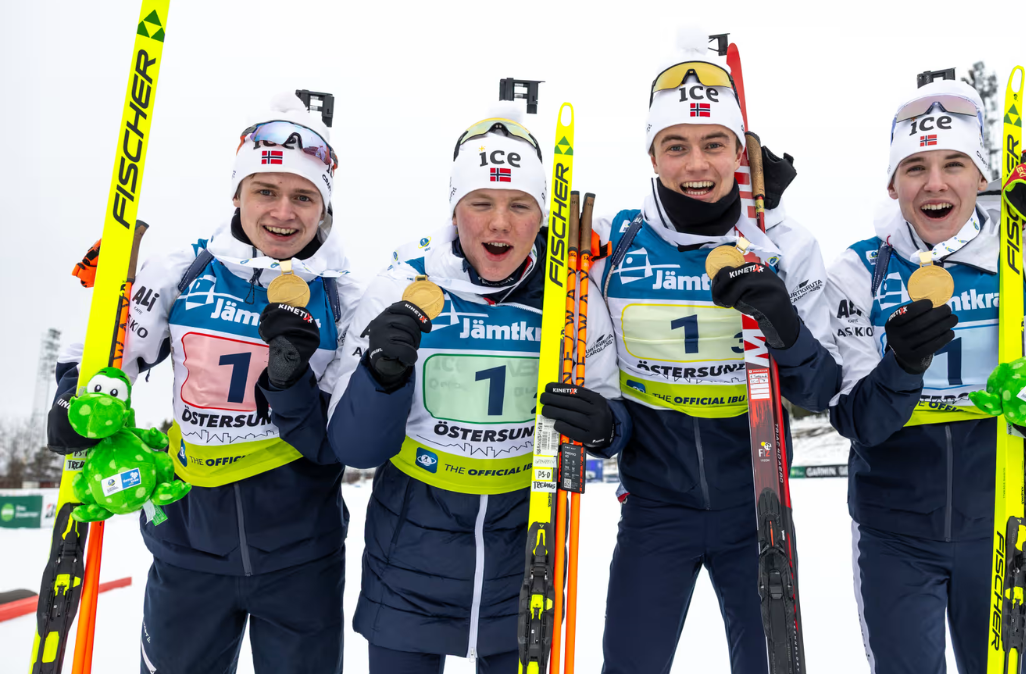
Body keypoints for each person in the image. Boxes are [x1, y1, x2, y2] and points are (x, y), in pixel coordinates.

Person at [260, 103, 628, 673]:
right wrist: (382, 376)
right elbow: (354, 449)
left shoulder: (570, 297)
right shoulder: (401, 284)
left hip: (525, 556)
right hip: (408, 564)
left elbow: (611, 409)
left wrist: (605, 425)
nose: (499, 223)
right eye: (481, 203)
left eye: (519, 205)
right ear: (456, 209)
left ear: (540, 216)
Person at [47, 92, 360, 674]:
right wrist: (73, 395)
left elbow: (345, 430)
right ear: (237, 195)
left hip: (302, 556)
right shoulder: (183, 271)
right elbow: (108, 351)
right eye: (265, 191)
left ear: (324, 208)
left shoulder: (343, 297)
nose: (283, 213)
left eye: (303, 197)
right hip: (188, 546)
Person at [824, 78, 1026, 673]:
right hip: (894, 533)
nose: (935, 182)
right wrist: (900, 365)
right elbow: (856, 418)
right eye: (915, 167)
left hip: (998, 521)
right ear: (893, 183)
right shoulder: (860, 268)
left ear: (980, 178)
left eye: (954, 163)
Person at [588, 36, 842, 673]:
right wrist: (598, 425)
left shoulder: (783, 244)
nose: (695, 164)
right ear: (652, 154)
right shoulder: (613, 248)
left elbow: (823, 391)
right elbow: (603, 394)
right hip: (655, 511)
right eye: (676, 145)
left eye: (713, 144)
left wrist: (781, 319)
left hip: (755, 510)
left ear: (739, 152)